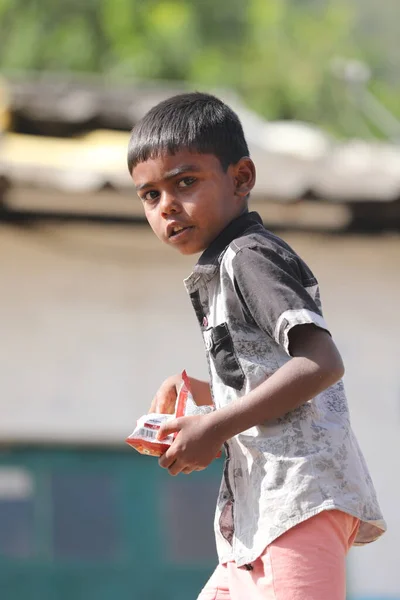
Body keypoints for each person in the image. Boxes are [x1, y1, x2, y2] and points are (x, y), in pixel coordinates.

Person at [127, 92, 386, 600]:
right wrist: (196, 396)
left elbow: (319, 362)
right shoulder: (220, 269)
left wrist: (214, 427)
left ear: (241, 178)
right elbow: (267, 378)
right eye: (149, 195)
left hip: (300, 501)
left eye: (185, 182)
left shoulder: (248, 258)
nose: (167, 207)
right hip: (253, 518)